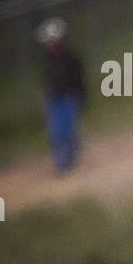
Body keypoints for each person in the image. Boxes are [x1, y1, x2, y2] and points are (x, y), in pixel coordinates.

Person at [36, 18, 86, 173]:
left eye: (53, 41)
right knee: (56, 131)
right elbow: (47, 80)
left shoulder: (71, 57)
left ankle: (69, 156)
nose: (51, 45)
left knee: (68, 130)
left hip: (69, 98)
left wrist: (81, 96)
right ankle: (61, 162)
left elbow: (79, 79)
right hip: (53, 99)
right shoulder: (48, 59)